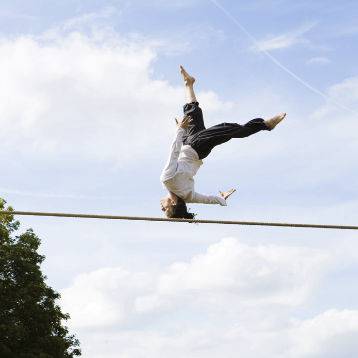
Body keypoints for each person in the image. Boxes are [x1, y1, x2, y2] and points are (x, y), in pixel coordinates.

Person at [160, 66, 286, 219]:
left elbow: (207, 199)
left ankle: (189, 84)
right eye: (164, 209)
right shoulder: (168, 181)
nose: (161, 207)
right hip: (197, 146)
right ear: (172, 204)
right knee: (227, 129)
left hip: (189, 144)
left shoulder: (186, 195)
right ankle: (265, 125)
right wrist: (179, 130)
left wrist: (220, 199)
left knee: (193, 113)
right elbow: (173, 153)